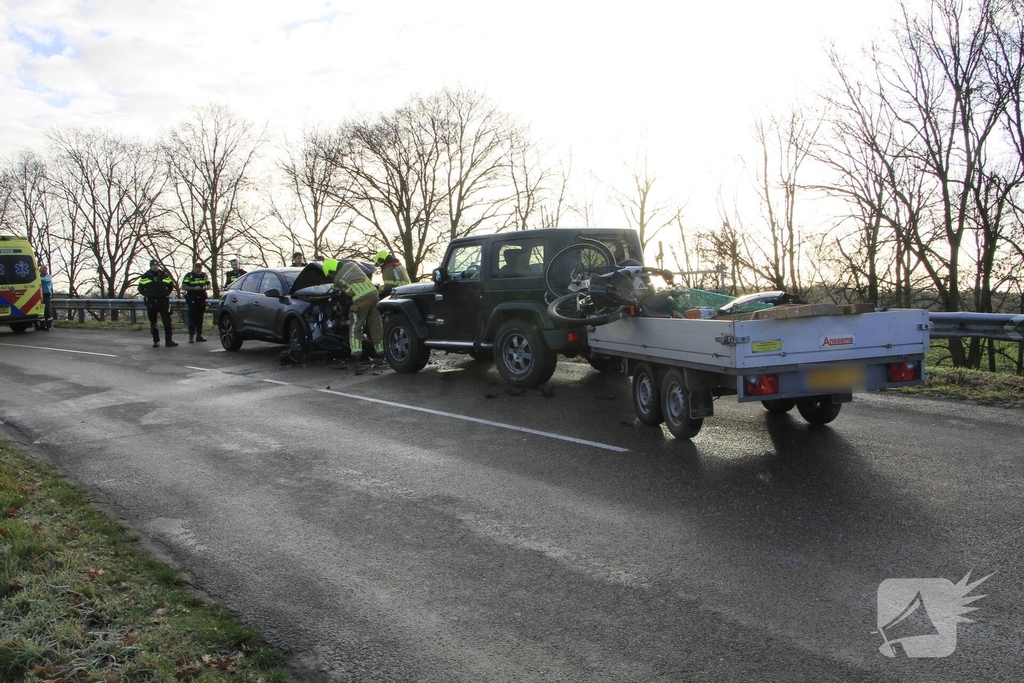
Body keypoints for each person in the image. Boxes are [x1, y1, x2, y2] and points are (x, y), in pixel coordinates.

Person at [322, 258, 383, 359]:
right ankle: (381, 350)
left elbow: (336, 291)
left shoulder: (337, 279)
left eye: (330, 274)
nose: (331, 276)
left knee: (356, 325)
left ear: (332, 270)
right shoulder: (352, 265)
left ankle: (356, 353)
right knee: (375, 324)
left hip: (361, 299)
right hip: (374, 294)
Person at [138, 259, 178, 348]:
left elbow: (171, 285)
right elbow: (140, 288)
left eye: (156, 265)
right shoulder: (145, 276)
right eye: (153, 265)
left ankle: (169, 341)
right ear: (150, 266)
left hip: (163, 302)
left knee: (167, 322)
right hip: (151, 302)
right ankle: (156, 340)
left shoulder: (164, 275)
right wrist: (147, 294)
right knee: (153, 322)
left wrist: (167, 293)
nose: (155, 267)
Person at [182, 262, 210, 343]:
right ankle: (191, 336)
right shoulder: (189, 276)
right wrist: (194, 288)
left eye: (200, 271)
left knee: (200, 318)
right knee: (192, 318)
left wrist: (204, 287)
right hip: (192, 299)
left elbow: (209, 286)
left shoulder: (204, 275)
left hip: (201, 299)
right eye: (197, 271)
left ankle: (199, 335)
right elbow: (184, 286)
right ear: (194, 269)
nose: (198, 272)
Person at [39, 264, 54, 331]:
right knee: (41, 310)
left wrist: (37, 277)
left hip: (46, 295)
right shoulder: (40, 276)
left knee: (47, 310)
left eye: (41, 270)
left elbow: (44, 280)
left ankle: (49, 326)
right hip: (41, 295)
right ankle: (42, 325)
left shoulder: (48, 277)